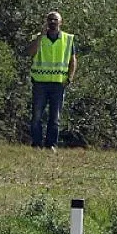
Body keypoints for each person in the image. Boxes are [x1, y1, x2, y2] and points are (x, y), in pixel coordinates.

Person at [26, 11, 77, 151]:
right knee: (37, 116)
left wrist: (70, 78)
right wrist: (40, 37)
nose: (52, 22)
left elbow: (73, 60)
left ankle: (51, 145)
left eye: (55, 20)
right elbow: (30, 52)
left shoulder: (68, 39)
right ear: (46, 22)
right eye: (50, 19)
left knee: (55, 117)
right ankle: (36, 144)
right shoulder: (39, 38)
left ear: (61, 22)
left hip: (58, 83)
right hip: (40, 82)